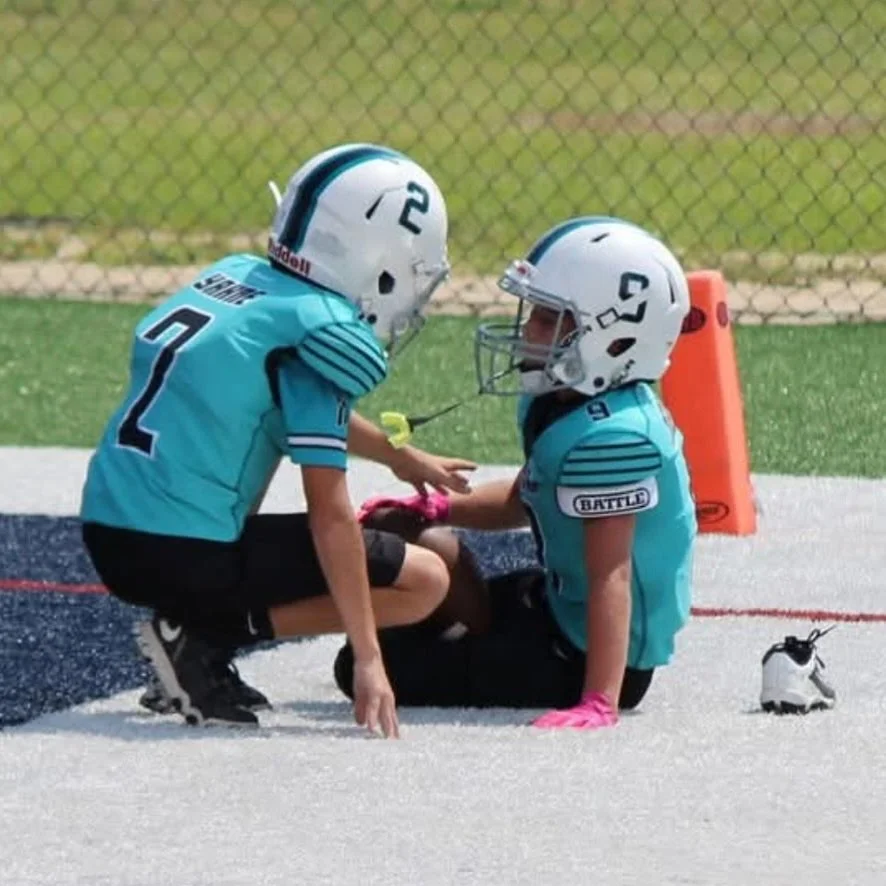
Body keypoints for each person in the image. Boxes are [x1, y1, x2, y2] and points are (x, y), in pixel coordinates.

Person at [80, 143, 476, 736]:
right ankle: (201, 636)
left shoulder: (234, 278)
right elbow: (330, 517)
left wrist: (396, 456)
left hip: (109, 531)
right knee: (426, 581)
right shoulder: (319, 332)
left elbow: (282, 404)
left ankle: (195, 627)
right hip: (185, 553)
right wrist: (369, 658)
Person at [334, 216, 697, 730]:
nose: (529, 331)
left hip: (587, 652)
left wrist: (600, 699)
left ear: (614, 341)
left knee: (358, 667)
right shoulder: (568, 404)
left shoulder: (616, 437)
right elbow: (525, 498)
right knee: (420, 579)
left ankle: (566, 677)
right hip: (559, 604)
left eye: (549, 319)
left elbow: (610, 575)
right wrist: (437, 507)